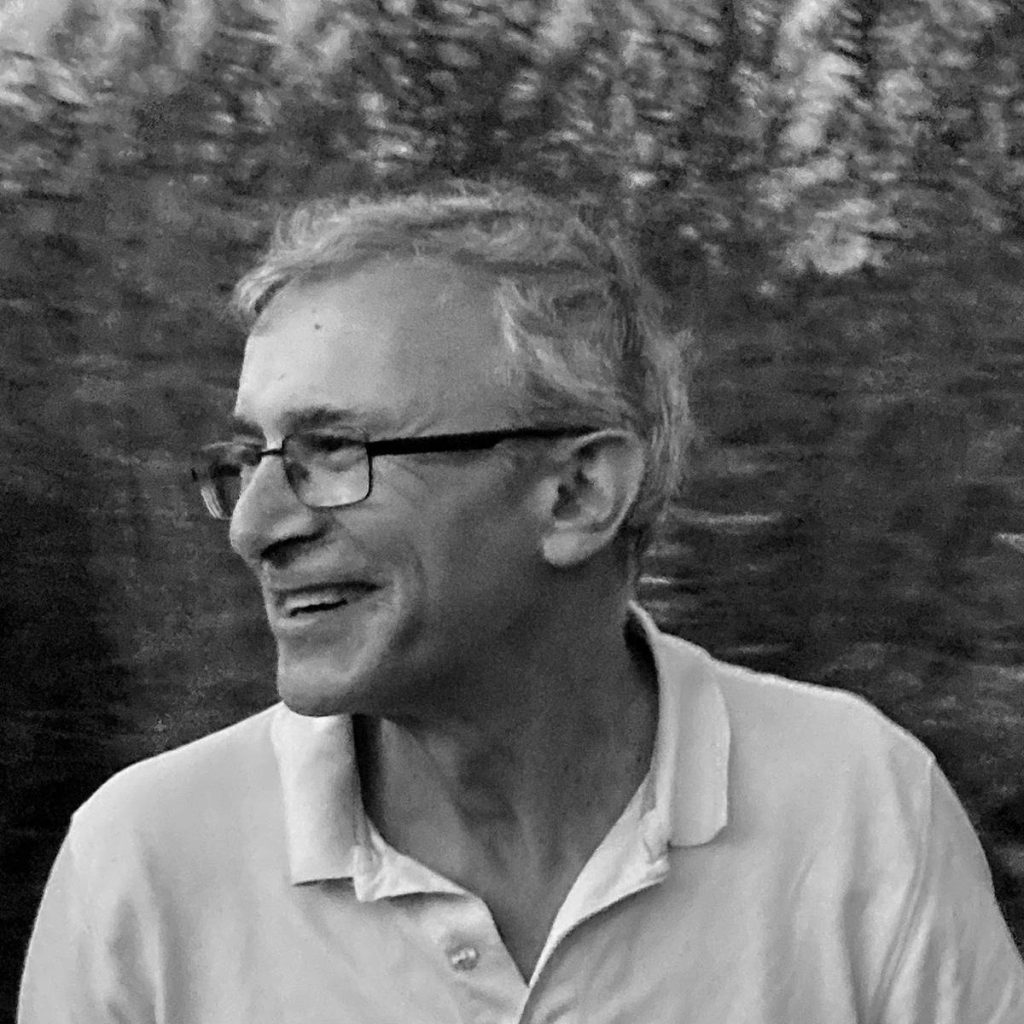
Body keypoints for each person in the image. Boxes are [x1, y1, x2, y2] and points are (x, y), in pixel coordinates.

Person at [19, 182, 1024, 1023]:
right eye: (252, 455)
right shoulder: (146, 865)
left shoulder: (861, 812)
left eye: (336, 451)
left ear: (578, 494)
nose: (254, 525)